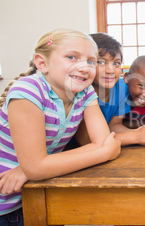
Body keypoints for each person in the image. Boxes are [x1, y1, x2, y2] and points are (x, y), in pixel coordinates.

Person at [0, 29, 121, 224]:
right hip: (4, 203)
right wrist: (105, 153)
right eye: (72, 57)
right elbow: (105, 148)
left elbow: (102, 141)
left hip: (38, 195)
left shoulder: (86, 92)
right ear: (42, 63)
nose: (84, 67)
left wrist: (33, 167)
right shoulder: (28, 90)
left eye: (91, 61)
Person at [74, 33, 145, 147]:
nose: (110, 70)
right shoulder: (80, 91)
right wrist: (135, 137)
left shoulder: (121, 88)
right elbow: (86, 140)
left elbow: (114, 126)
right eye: (101, 62)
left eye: (116, 63)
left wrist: (140, 132)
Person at [110, 56, 145, 134]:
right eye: (141, 85)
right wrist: (137, 134)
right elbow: (111, 126)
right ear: (127, 78)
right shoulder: (118, 93)